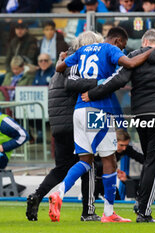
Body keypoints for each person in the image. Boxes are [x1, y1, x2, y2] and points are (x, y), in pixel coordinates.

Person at [82, 29, 155, 222]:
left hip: (141, 116)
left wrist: (93, 93)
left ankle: (141, 202)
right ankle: (144, 211)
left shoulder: (135, 56)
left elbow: (117, 80)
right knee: (154, 163)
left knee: (148, 161)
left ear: (144, 42)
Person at [49, 27, 153, 223]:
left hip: (78, 110)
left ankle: (59, 193)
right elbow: (130, 63)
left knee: (84, 161)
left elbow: (59, 68)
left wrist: (62, 57)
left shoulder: (81, 51)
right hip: (98, 110)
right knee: (109, 160)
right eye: (122, 46)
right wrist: (153, 51)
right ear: (116, 41)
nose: (122, 50)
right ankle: (108, 213)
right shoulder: (109, 49)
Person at [26, 31, 103, 222]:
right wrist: (100, 81)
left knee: (61, 168)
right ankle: (88, 211)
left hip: (58, 125)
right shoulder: (75, 64)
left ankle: (37, 195)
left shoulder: (60, 67)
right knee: (88, 164)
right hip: (73, 123)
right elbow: (73, 85)